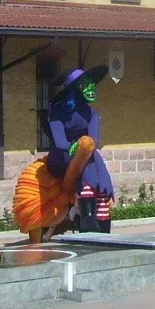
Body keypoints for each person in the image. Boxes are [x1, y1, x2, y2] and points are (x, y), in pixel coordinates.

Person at [45, 66, 115, 233]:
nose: (90, 88)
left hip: (86, 154)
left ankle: (99, 218)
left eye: (90, 84)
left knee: (95, 167)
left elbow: (94, 141)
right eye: (84, 85)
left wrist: (83, 149)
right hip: (61, 158)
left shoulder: (92, 113)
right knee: (90, 165)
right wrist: (76, 148)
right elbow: (60, 142)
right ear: (73, 89)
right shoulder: (56, 112)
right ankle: (88, 217)